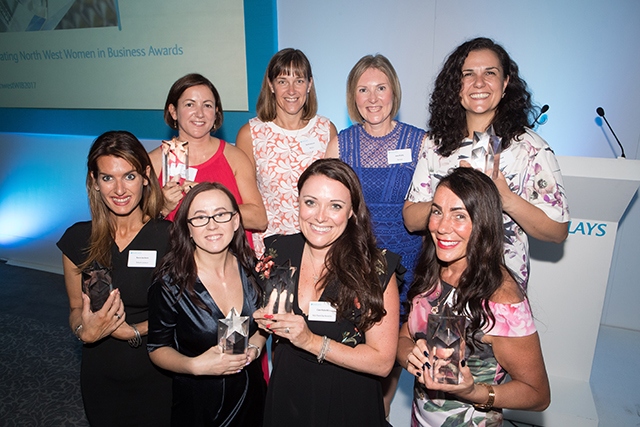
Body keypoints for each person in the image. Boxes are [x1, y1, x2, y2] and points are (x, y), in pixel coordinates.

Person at [403, 37, 569, 288]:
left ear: (505, 83)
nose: (478, 83)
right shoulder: (436, 144)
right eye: (468, 74)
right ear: (455, 86)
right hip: (439, 283)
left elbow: (557, 231)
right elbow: (410, 219)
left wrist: (505, 199)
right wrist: (448, 201)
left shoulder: (529, 148)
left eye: (489, 73)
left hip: (498, 289)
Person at [253, 158, 400, 427]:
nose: (320, 216)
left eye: (335, 206)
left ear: (352, 212)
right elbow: (265, 318)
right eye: (311, 202)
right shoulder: (277, 252)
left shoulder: (373, 268)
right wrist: (257, 336)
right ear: (298, 203)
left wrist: (310, 341)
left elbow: (382, 362)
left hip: (347, 403)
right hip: (288, 397)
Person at [398, 167, 550, 426]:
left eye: (459, 216)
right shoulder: (433, 273)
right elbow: (405, 335)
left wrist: (473, 392)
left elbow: (537, 395)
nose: (442, 227)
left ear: (483, 223)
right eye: (437, 211)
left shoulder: (502, 299)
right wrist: (410, 355)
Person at [325, 53, 427, 417]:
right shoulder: (341, 144)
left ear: (393, 92)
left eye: (380, 88)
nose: (372, 98)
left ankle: (378, 415)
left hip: (409, 260)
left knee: (396, 341)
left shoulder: (421, 142)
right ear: (353, 97)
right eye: (363, 89)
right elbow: (328, 201)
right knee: (356, 340)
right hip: (355, 259)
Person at [57, 130, 172, 426]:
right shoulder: (77, 239)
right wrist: (84, 330)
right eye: (108, 178)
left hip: (158, 372)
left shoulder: (170, 237)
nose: (119, 189)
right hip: (100, 373)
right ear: (94, 182)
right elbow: (74, 309)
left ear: (146, 176)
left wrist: (134, 330)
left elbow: (187, 313)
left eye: (129, 176)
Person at [147, 182, 267, 426]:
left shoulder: (251, 268)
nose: (212, 225)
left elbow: (262, 325)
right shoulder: (170, 283)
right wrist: (193, 365)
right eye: (200, 218)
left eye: (221, 214)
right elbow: (157, 349)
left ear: (236, 222)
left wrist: (254, 347)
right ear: (188, 228)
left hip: (251, 397)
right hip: (201, 406)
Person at [236, 48, 337, 255]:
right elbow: (244, 199)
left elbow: (335, 194)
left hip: (318, 244)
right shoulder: (250, 134)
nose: (291, 90)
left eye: (299, 81)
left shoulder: (326, 130)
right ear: (271, 85)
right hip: (269, 249)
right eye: (283, 81)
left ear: (309, 85)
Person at [149, 73, 267, 236]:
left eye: (207, 105)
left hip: (230, 258)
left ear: (216, 113)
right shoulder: (153, 163)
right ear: (173, 111)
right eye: (190, 105)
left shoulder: (235, 158)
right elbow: (134, 229)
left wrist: (213, 202)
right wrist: (163, 208)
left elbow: (259, 219)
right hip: (175, 258)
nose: (199, 113)